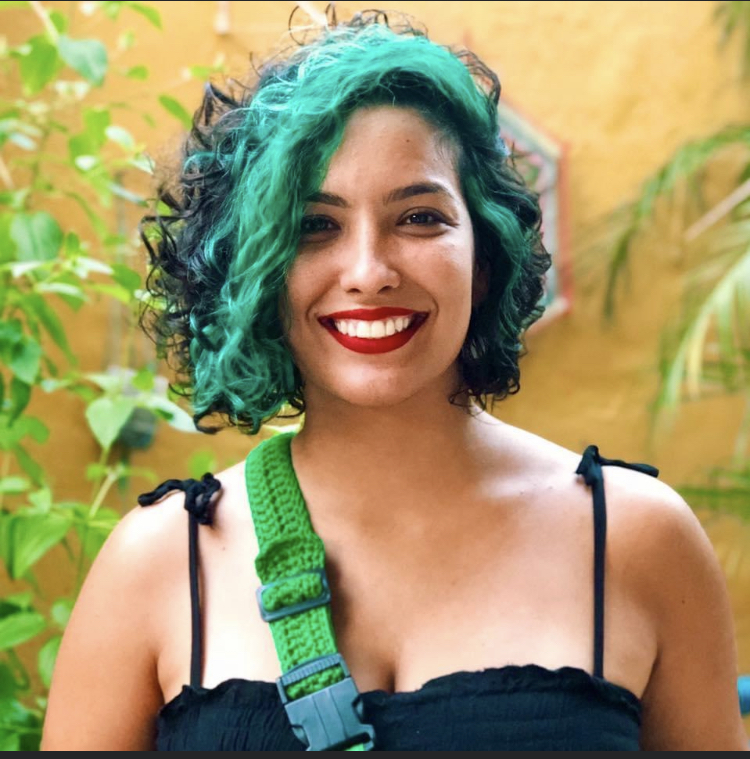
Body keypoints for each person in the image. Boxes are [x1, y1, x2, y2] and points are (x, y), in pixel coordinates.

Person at [42, 9, 747, 751]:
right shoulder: (159, 563)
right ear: (255, 273)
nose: (369, 272)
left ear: (485, 255)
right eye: (314, 226)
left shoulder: (635, 539)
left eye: (419, 217)